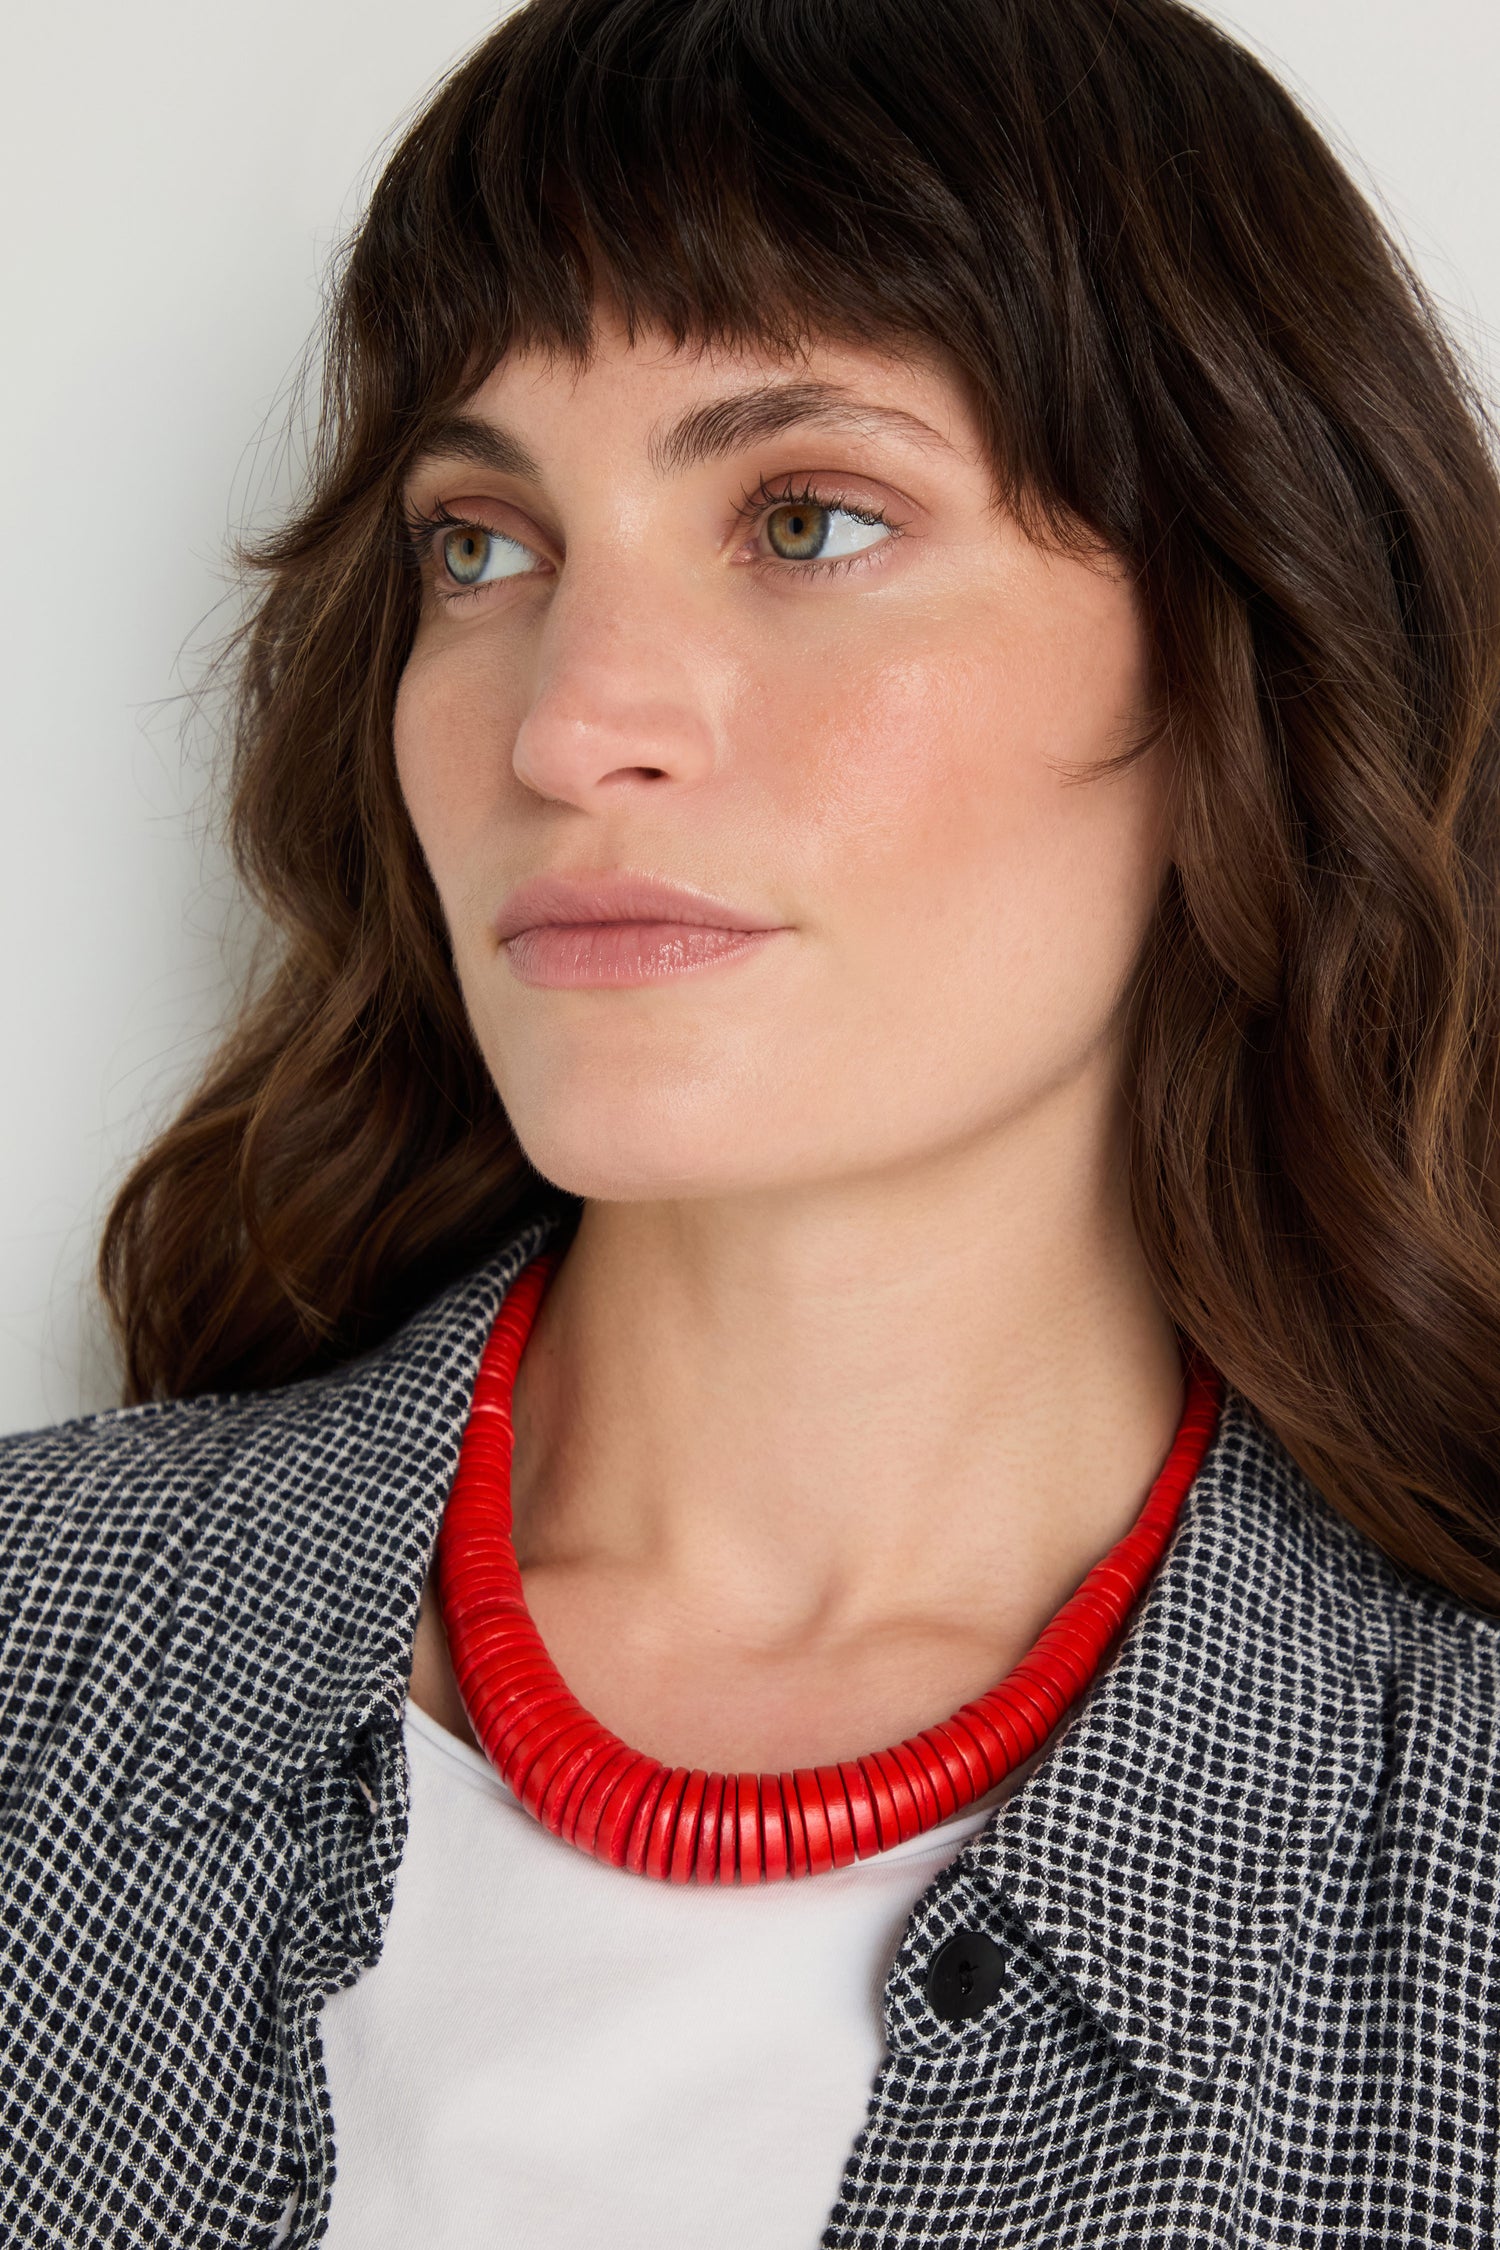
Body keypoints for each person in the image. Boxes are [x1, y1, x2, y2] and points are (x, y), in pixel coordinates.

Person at [4, 0, 1500, 2241]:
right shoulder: (36, 1643)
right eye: (481, 545)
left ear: (1245, 663)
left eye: (806, 519)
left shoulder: (1459, 1871)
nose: (565, 725)